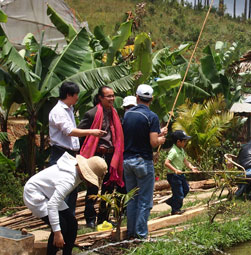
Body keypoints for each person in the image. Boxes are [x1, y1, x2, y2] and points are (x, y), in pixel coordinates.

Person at [23, 153, 107, 255]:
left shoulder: (76, 171)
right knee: (61, 225)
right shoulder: (68, 180)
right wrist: (57, 233)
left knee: (72, 223)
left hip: (48, 193)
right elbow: (52, 205)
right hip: (35, 195)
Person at [48, 81, 106, 214]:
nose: (78, 98)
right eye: (76, 95)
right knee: (63, 187)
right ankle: (61, 220)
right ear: (69, 95)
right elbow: (69, 131)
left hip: (70, 153)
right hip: (61, 153)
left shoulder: (69, 109)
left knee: (72, 188)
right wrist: (91, 132)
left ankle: (70, 218)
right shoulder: (58, 111)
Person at [122, 84, 167, 239]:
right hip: (142, 162)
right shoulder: (152, 116)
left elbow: (136, 135)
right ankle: (141, 234)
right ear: (151, 99)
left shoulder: (127, 115)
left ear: (137, 97)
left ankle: (131, 232)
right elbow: (153, 142)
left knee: (132, 198)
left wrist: (158, 134)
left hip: (127, 161)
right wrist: (161, 139)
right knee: (144, 200)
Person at [78, 86, 124, 229]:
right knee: (92, 187)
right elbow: (81, 135)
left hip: (111, 155)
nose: (111, 99)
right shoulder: (91, 114)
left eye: (113, 96)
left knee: (108, 188)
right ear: (100, 98)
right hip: (96, 155)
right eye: (108, 96)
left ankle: (103, 218)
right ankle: (90, 218)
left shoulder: (114, 113)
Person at [164, 130, 199, 215]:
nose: (185, 143)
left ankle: (171, 201)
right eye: (184, 141)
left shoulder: (181, 150)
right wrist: (175, 170)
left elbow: (185, 161)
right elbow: (166, 163)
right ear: (178, 142)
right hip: (173, 176)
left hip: (180, 174)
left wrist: (192, 168)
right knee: (179, 193)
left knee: (186, 189)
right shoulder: (173, 151)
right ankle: (175, 209)